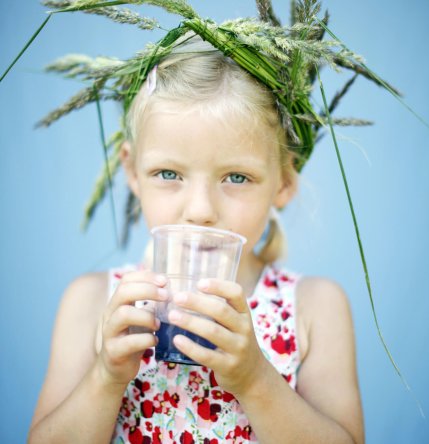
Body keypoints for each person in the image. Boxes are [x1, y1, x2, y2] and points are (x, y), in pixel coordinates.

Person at [28, 27, 364, 444]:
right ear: (132, 171)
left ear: (283, 182)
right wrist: (105, 377)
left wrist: (256, 379)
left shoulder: (313, 307)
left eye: (236, 177)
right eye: (169, 173)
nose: (201, 210)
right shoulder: (93, 303)